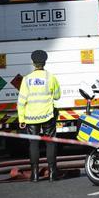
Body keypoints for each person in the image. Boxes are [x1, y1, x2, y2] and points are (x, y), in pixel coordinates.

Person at [17, 50, 61, 182]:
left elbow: (21, 101)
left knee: (33, 144)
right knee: (50, 142)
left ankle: (35, 174)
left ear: (33, 63)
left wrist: (21, 118)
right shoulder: (50, 77)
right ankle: (53, 173)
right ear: (44, 62)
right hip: (48, 115)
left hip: (31, 117)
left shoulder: (27, 79)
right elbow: (58, 96)